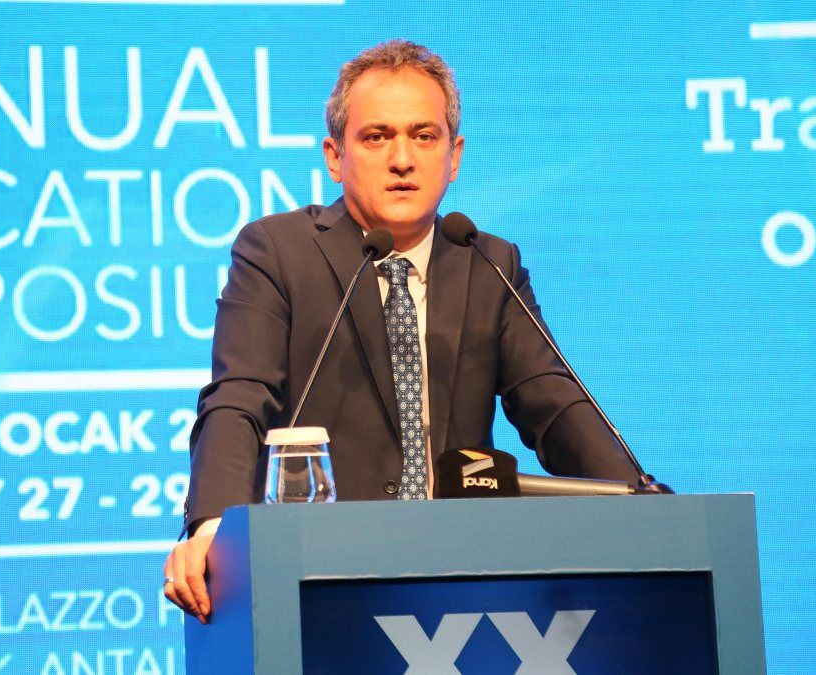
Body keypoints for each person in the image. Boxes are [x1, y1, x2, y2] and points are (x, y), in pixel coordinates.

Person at [163, 39, 640, 623]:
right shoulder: (278, 253)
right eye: (376, 137)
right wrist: (215, 525)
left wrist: (643, 505)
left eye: (424, 135)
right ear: (334, 156)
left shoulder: (488, 263)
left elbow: (554, 404)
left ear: (454, 155)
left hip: (467, 586)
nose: (402, 159)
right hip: (322, 580)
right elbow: (240, 395)